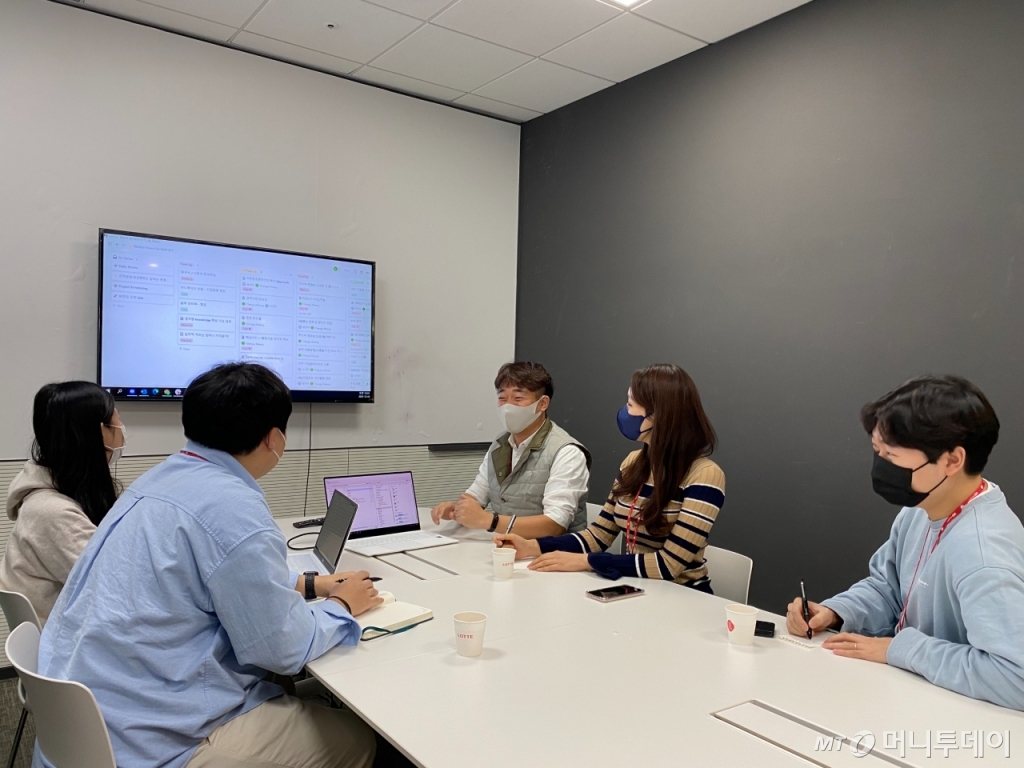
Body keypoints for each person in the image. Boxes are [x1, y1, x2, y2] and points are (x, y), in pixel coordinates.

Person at [37, 363, 382, 768]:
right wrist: (342, 606)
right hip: (153, 741)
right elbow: (282, 649)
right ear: (274, 438)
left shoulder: (156, 480)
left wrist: (311, 584)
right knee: (360, 739)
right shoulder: (234, 506)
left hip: (85, 721)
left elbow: (214, 573)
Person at [786, 375, 1024, 711]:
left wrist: (901, 649)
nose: (882, 464)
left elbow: (1015, 677)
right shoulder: (922, 508)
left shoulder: (983, 555)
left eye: (892, 454)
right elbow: (891, 588)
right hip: (907, 696)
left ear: (952, 460)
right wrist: (837, 612)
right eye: (877, 451)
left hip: (959, 720)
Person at [495, 364, 725, 590]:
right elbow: (599, 535)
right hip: (638, 586)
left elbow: (669, 565)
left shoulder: (705, 475)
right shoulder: (633, 463)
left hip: (684, 593)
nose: (625, 412)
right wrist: (533, 546)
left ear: (658, 416)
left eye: (630, 404)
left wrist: (588, 561)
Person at [0, 381, 125, 624]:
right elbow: (116, 585)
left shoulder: (65, 493)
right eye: (117, 422)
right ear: (101, 433)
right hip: (68, 639)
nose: (121, 429)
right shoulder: (52, 512)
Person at [430, 361, 591, 538]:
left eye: (518, 398)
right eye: (502, 398)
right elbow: (477, 494)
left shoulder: (567, 452)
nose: (508, 407)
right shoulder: (500, 444)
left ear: (543, 404)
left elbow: (555, 525)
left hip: (553, 552)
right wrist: (458, 509)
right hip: (507, 547)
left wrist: (488, 521)